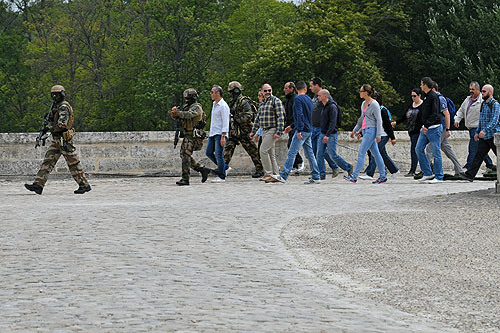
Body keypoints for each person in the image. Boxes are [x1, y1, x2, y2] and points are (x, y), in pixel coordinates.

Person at [25, 85, 91, 195]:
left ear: (62, 94)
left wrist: (49, 127)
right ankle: (38, 185)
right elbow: (53, 121)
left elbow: (62, 125)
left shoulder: (63, 107)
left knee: (73, 163)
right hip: (57, 140)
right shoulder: (56, 106)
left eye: (57, 94)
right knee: (48, 162)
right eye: (53, 94)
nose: (54, 96)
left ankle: (84, 185)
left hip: (64, 140)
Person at [270, 81, 320, 184]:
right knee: (310, 154)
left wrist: (299, 129)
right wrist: (292, 126)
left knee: (292, 152)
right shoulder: (309, 100)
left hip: (302, 131)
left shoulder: (297, 99)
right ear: (305, 89)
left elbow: (299, 115)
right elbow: (308, 116)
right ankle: (316, 176)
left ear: (296, 89)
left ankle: (284, 175)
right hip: (309, 130)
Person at [344, 84, 387, 184]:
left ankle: (354, 176)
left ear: (366, 93)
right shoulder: (363, 103)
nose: (359, 93)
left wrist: (378, 135)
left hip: (371, 131)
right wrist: (355, 130)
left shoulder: (374, 104)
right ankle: (383, 176)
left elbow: (379, 120)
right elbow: (361, 119)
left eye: (361, 91)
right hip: (365, 130)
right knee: (376, 154)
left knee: (361, 152)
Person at [169, 88, 211, 186]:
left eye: (188, 98)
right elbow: (181, 117)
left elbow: (189, 115)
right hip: (187, 134)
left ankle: (185, 178)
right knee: (184, 155)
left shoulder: (197, 107)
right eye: (186, 98)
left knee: (185, 155)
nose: (186, 100)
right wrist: (174, 113)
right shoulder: (186, 107)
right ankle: (201, 169)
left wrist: (178, 113)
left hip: (193, 135)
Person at [423, 83, 465, 178]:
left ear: (433, 89)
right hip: (439, 127)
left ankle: (428, 170)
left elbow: (447, 114)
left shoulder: (440, 99)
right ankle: (459, 169)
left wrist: (447, 129)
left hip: (440, 127)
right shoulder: (434, 98)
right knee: (447, 149)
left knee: (430, 149)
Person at [223, 81, 264, 178]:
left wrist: (237, 120)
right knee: (228, 149)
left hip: (244, 131)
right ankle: (222, 168)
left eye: (232, 91)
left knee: (252, 151)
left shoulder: (243, 101)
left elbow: (249, 115)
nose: (230, 94)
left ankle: (260, 169)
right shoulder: (234, 102)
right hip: (235, 131)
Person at [459, 84, 500, 181]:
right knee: (478, 156)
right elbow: (481, 120)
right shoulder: (483, 104)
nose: (482, 93)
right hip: (484, 137)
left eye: (484, 91)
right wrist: (477, 132)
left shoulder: (495, 104)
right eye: (482, 91)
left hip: (493, 135)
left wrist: (485, 130)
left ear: (490, 92)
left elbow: (495, 120)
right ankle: (470, 175)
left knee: (499, 155)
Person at [454, 81, 495, 171]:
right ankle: (490, 165)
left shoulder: (483, 101)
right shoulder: (467, 99)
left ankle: (468, 167)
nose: (471, 91)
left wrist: (484, 129)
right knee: (480, 149)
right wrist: (457, 120)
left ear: (478, 89)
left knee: (473, 148)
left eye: (473, 89)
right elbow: (461, 111)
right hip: (470, 127)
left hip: (477, 128)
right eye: (470, 89)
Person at [250, 83, 285, 182]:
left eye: (269, 90)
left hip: (272, 129)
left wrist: (279, 131)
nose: (268, 92)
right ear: (262, 91)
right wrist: (253, 131)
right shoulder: (262, 103)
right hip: (264, 130)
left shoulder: (276, 101)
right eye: (265, 91)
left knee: (263, 150)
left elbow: (280, 117)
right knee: (270, 153)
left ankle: (268, 174)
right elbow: (257, 119)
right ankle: (275, 174)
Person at [361, 91, 399, 180]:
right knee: (383, 155)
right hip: (377, 135)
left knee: (375, 153)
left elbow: (387, 125)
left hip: (383, 135)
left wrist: (392, 137)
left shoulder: (382, 110)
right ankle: (394, 170)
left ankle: (370, 174)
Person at [316, 89, 353, 177]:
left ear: (325, 96)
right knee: (319, 154)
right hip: (322, 133)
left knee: (332, 155)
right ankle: (321, 174)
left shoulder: (332, 107)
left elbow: (333, 122)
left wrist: (327, 135)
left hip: (331, 134)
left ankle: (348, 167)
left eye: (319, 95)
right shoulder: (323, 106)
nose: (318, 97)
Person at [309, 77, 340, 179]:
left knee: (321, 152)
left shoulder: (327, 98)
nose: (310, 88)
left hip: (321, 128)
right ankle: (324, 171)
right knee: (315, 151)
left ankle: (323, 172)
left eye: (311, 86)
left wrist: (327, 131)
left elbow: (331, 116)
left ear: (317, 86)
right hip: (314, 127)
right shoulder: (315, 97)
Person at [415, 77, 444, 183]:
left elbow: (435, 114)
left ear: (426, 85)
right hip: (425, 128)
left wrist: (426, 125)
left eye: (421, 84)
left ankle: (439, 176)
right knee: (418, 149)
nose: (420, 86)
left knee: (436, 152)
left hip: (434, 128)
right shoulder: (426, 96)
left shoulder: (433, 96)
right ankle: (427, 173)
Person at [392, 88, 424, 177]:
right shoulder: (411, 105)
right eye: (412, 96)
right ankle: (420, 169)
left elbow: (424, 118)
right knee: (415, 150)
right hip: (411, 131)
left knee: (415, 150)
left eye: (415, 96)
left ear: (419, 95)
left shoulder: (423, 105)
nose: (413, 98)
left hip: (419, 131)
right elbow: (404, 116)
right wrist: (396, 122)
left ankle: (414, 170)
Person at [206, 85, 230, 182]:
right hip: (213, 132)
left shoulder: (223, 106)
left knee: (218, 154)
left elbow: (225, 122)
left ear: (218, 93)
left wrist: (223, 136)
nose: (211, 94)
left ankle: (221, 176)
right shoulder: (214, 104)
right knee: (209, 153)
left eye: (212, 92)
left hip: (220, 133)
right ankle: (225, 167)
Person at [283, 82, 304, 173]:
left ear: (291, 89)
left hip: (295, 125)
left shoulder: (295, 99)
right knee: (291, 145)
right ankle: (295, 165)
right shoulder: (288, 99)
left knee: (291, 145)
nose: (284, 90)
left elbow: (298, 114)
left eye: (286, 88)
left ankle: (300, 162)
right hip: (290, 125)